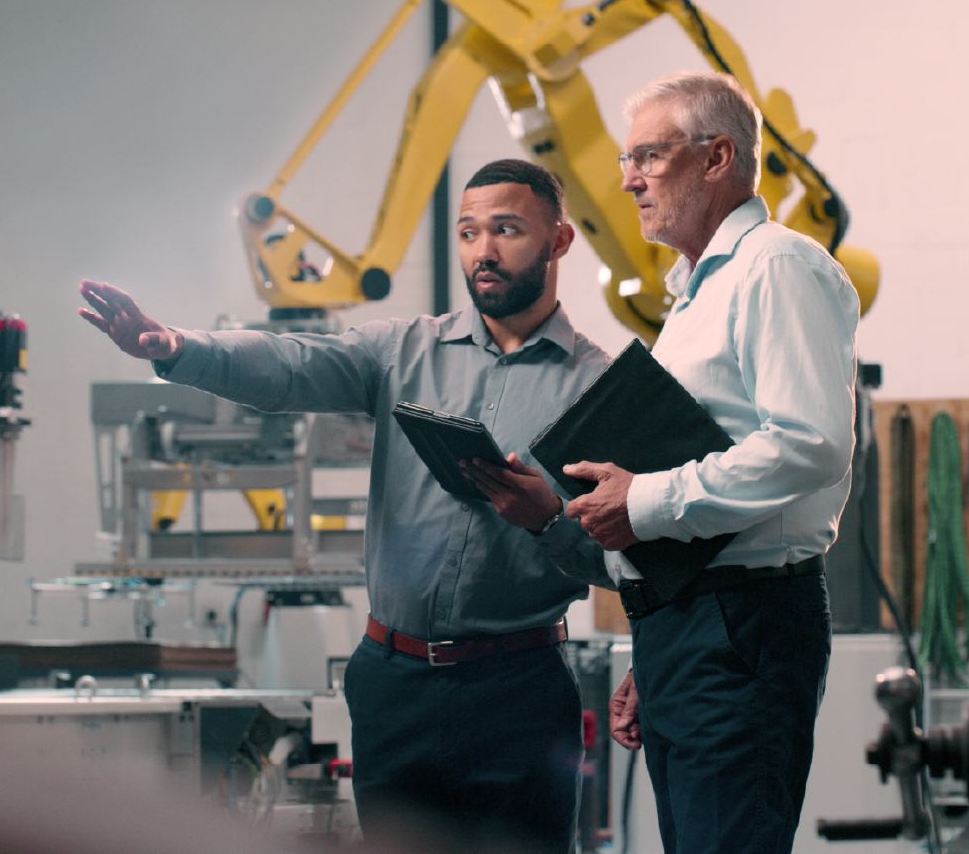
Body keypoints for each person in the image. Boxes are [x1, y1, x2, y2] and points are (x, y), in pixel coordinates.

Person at [78, 159, 613, 853]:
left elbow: (625, 557)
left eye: (507, 230)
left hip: (518, 688)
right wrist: (181, 349)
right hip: (393, 684)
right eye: (468, 232)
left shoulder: (600, 387)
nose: (483, 251)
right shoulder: (401, 350)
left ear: (559, 241)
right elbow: (290, 363)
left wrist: (546, 519)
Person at [564, 72, 859, 854]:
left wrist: (646, 502)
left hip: (743, 624)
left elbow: (812, 442)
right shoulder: (697, 291)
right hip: (696, 626)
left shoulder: (775, 268)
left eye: (649, 157)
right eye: (628, 159)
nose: (628, 179)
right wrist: (652, 654)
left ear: (718, 156)